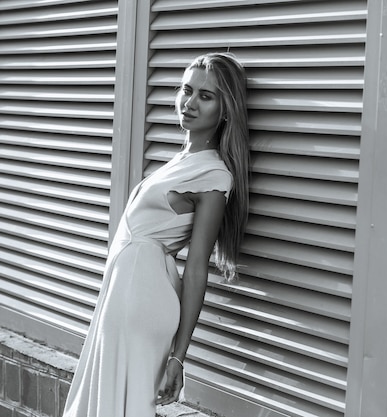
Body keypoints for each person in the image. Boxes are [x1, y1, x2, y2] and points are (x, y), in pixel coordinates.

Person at [62, 52, 250, 417]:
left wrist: (179, 358)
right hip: (122, 294)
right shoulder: (181, 161)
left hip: (142, 298)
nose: (190, 103)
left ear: (225, 110)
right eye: (187, 90)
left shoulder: (214, 175)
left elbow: (197, 268)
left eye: (206, 96)